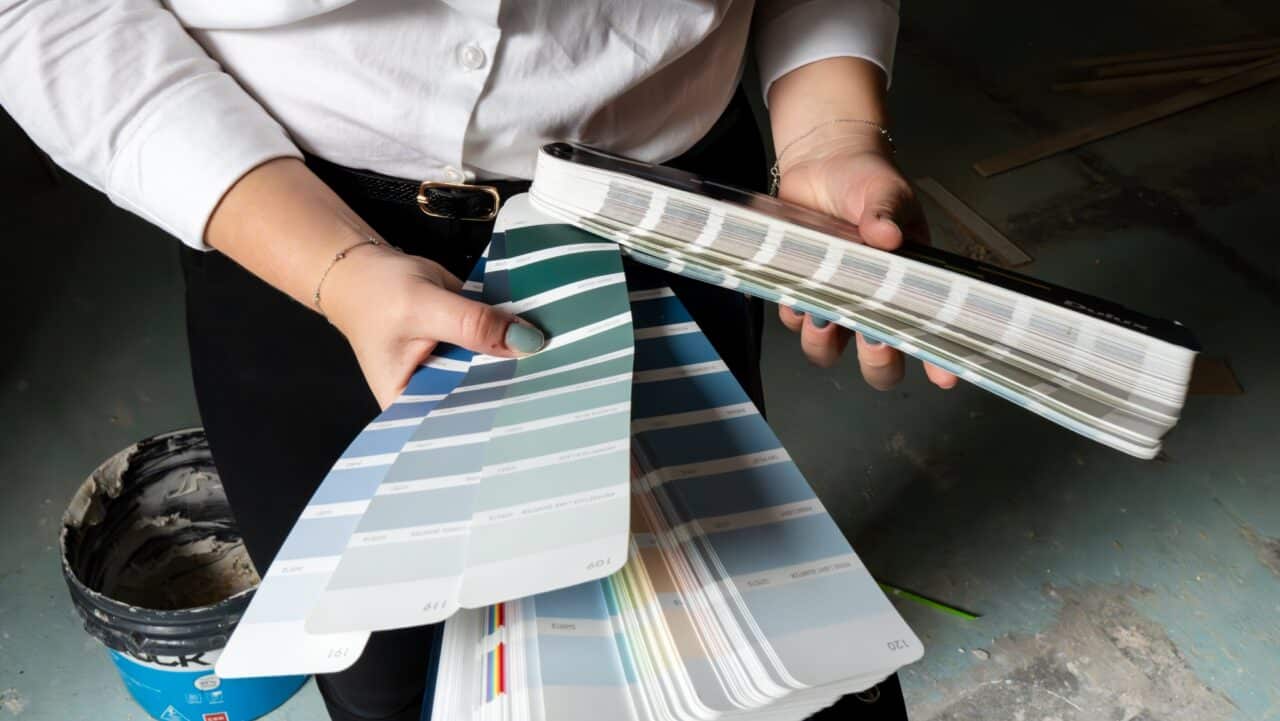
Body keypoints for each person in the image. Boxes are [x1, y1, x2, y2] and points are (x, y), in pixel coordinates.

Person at [1, 1, 956, 719]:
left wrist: (831, 131)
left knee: (694, 629)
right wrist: (338, 273)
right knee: (379, 662)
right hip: (286, 229)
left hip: (662, 206)